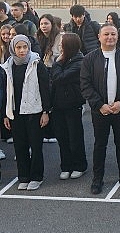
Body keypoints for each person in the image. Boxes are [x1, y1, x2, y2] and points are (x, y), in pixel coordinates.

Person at [80, 24, 120, 195]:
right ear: (99, 36)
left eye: (113, 34)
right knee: (100, 144)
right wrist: (99, 105)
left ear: (117, 36)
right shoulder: (90, 58)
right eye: (106, 34)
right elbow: (85, 84)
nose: (110, 37)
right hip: (100, 111)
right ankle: (97, 178)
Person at [1, 35, 51, 191]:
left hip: (34, 111)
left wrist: (45, 111)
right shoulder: (8, 66)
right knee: (20, 146)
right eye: (18, 47)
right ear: (13, 48)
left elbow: (45, 89)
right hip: (15, 113)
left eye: (25, 47)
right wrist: (6, 114)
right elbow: (6, 92)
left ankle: (36, 177)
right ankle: (23, 176)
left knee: (35, 146)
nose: (22, 51)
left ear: (29, 47)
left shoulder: (37, 64)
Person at [50, 33, 87, 181]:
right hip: (58, 106)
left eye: (62, 45)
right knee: (62, 137)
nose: (59, 47)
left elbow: (59, 78)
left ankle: (79, 166)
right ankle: (66, 166)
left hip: (72, 105)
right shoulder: (64, 60)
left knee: (75, 137)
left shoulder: (79, 62)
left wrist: (57, 64)